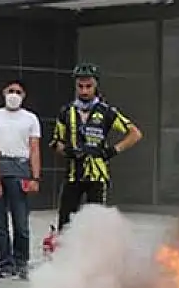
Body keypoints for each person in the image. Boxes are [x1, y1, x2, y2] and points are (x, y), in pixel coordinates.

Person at [50, 63, 143, 230]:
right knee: (65, 221)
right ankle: (65, 253)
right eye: (80, 86)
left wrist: (113, 150)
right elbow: (57, 142)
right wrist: (67, 150)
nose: (84, 91)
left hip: (98, 176)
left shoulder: (107, 111)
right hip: (73, 175)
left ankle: (93, 253)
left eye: (88, 86)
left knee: (96, 222)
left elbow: (135, 133)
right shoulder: (66, 111)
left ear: (96, 85)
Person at [0, 79, 41, 280]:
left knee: (21, 222)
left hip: (20, 169)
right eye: (10, 90)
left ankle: (21, 262)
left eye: (18, 91)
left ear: (24, 95)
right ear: (3, 92)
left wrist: (35, 177)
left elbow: (34, 148)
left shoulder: (30, 119)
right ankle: (5, 264)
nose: (13, 94)